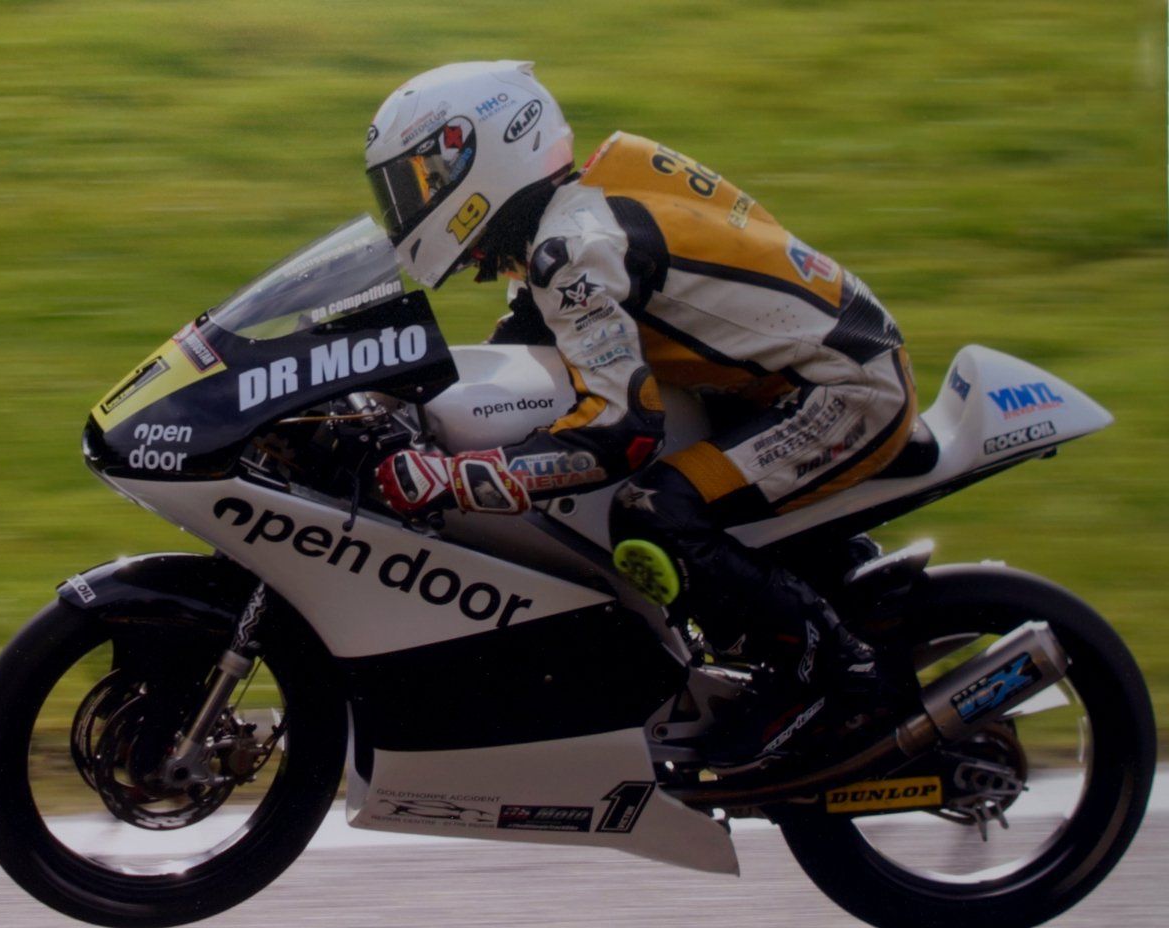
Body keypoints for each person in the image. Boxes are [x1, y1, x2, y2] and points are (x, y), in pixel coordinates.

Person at [363, 60, 915, 765]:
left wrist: (455, 478)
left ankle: (843, 677)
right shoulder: (564, 233)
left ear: (482, 152)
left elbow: (619, 432)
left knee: (653, 509)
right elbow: (500, 370)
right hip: (782, 384)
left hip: (845, 391)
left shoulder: (576, 247)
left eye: (418, 183)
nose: (409, 207)